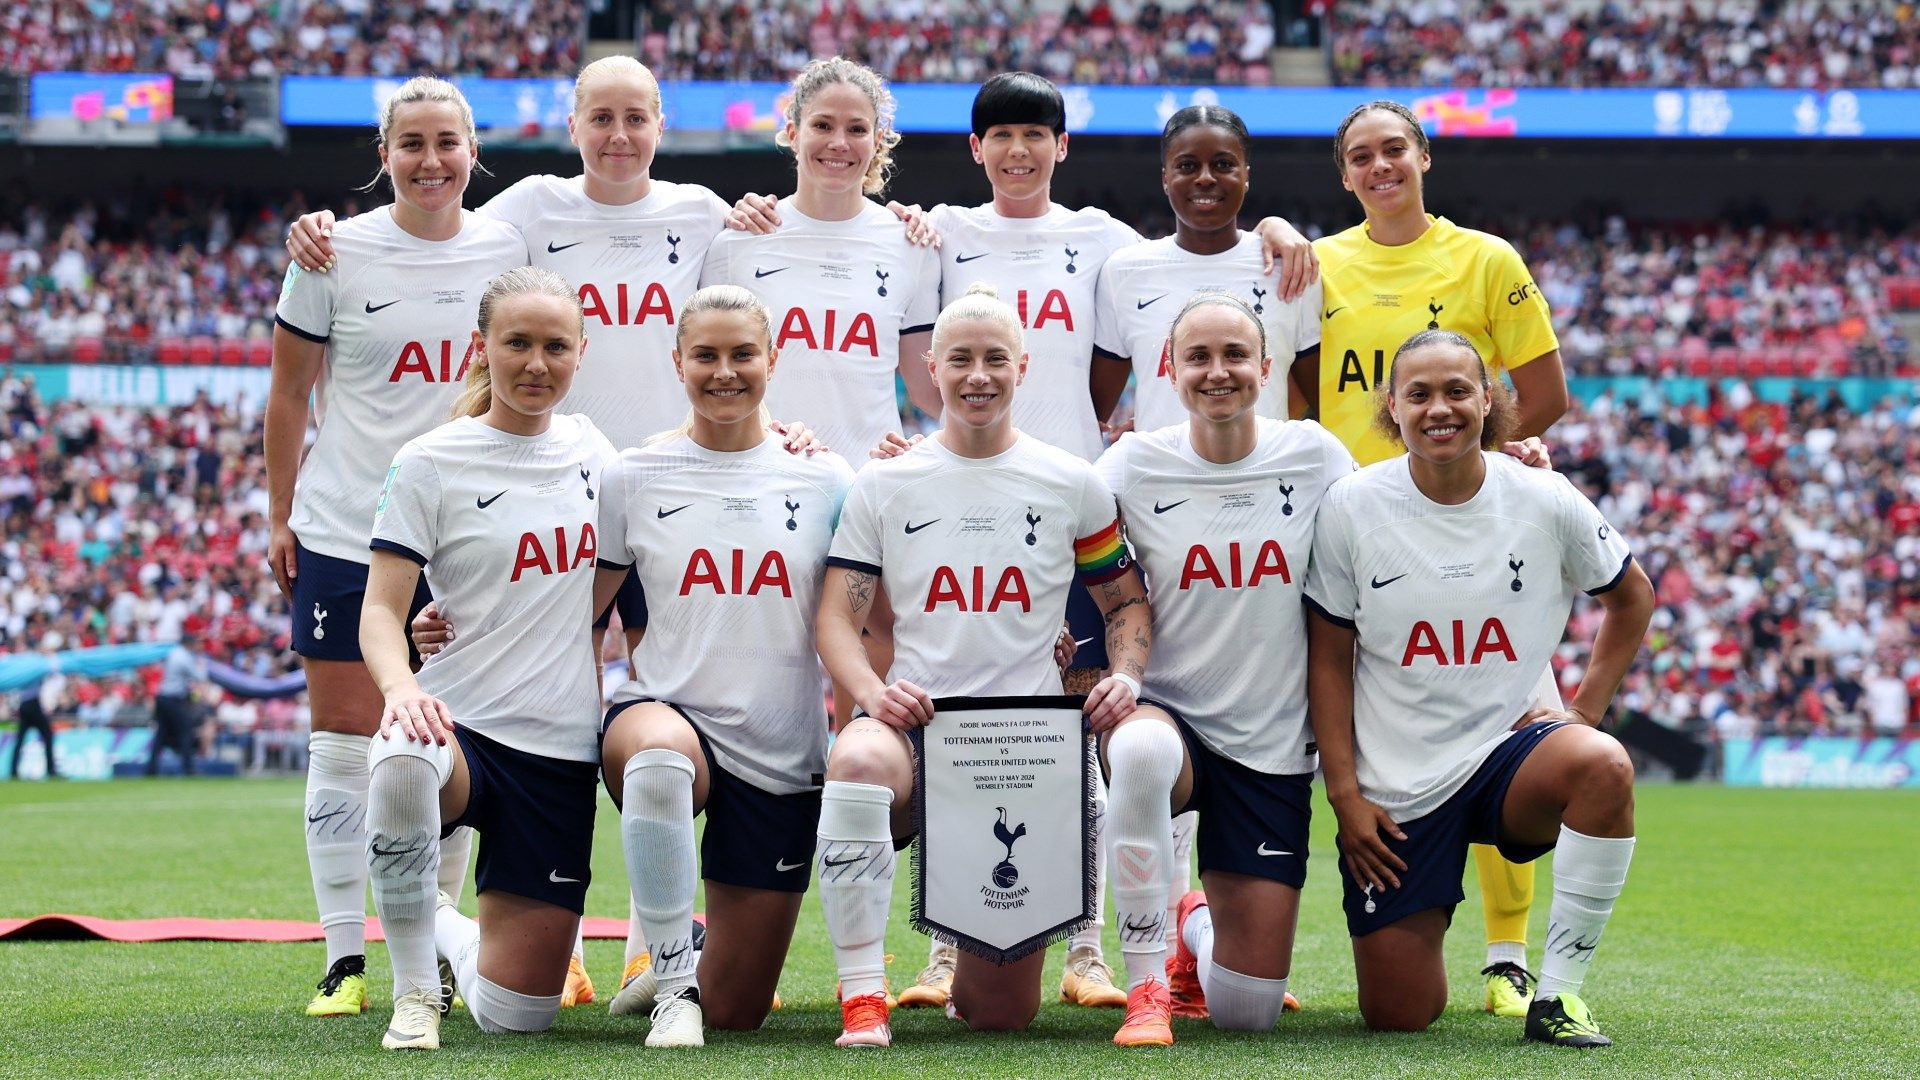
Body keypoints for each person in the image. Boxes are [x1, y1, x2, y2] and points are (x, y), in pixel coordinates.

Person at [811, 283, 1153, 1047]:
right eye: (959, 359)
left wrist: (1123, 677)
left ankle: (990, 962)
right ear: (928, 367)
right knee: (858, 758)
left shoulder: (1071, 482)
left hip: (1023, 749)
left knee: (1002, 1016)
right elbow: (837, 615)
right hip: (919, 736)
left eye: (995, 359)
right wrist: (871, 693)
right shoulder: (887, 483)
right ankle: (863, 999)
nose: (977, 375)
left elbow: (1125, 603)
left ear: (1023, 367)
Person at [1303, 330, 1654, 1047]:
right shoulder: (1351, 505)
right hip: (1399, 789)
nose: (1441, 409)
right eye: (1420, 394)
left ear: (1488, 401)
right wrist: (1345, 795)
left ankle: (1558, 995)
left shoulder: (1543, 497)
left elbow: (1633, 596)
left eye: (1458, 391)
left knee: (1603, 764)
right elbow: (1329, 657)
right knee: (1400, 1014)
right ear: (1391, 408)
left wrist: (1581, 714)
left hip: (1510, 757)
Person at [1304, 99, 1572, 1015]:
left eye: (1395, 150)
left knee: (1499, 720)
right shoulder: (1319, 264)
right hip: (1354, 539)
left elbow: (1545, 393)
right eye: (1361, 157)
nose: (1381, 168)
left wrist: (1487, 459)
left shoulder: (1486, 258)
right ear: (1343, 175)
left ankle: (1506, 956)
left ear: (1424, 157)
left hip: (1472, 539)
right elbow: (1303, 396)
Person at [269, 75, 525, 1018]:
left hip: (464, 537)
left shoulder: (510, 243)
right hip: (344, 526)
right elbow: (289, 396)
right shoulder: (333, 250)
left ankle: (437, 937)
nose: (430, 160)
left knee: (447, 734)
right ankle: (344, 956)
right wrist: (277, 515)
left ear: (473, 151)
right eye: (410, 143)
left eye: (447, 142)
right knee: (340, 738)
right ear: (384, 155)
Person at [360, 265, 617, 1051]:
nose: (536, 364)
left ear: (580, 352)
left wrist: (787, 435)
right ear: (481, 346)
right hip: (460, 729)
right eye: (516, 343)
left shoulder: (600, 455)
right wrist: (402, 685)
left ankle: (440, 923)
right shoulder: (429, 460)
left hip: (558, 753)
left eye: (554, 346)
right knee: (402, 755)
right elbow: (380, 609)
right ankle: (412, 997)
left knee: (518, 1015)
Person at [594, 284, 856, 1047]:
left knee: (738, 1012)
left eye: (743, 353)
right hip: (662, 718)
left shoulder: (827, 478)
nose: (724, 371)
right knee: (656, 755)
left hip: (780, 753)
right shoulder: (632, 475)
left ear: (774, 359)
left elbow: (860, 617)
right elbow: (581, 609)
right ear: (677, 362)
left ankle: (692, 960)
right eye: (704, 355)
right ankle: (672, 979)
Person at [1093, 292, 1349, 1045]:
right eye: (1198, 356)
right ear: (1170, 369)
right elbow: (1041, 515)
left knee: (1247, 1013)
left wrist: (1508, 463)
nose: (1218, 372)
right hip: (1167, 715)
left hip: (1270, 744)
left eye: (1235, 355)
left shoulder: (1314, 454)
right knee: (1138, 750)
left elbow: (1397, 514)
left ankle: (1192, 925)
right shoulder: (1133, 462)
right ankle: (1143, 989)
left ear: (1267, 368)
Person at [700, 57, 941, 462]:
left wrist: (936, 450)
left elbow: (926, 388)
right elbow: (707, 378)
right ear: (793, 133)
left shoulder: (911, 245)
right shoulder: (736, 244)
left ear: (878, 140)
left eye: (857, 129)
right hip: (765, 479)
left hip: (872, 484)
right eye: (823, 125)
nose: (839, 143)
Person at [1093, 105, 1320, 436]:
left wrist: (1255, 422)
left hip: (1262, 479)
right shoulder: (1125, 272)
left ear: (1246, 175)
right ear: (1165, 178)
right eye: (1187, 166)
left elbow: (1313, 395)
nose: (1205, 177)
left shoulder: (1290, 268)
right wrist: (1155, 419)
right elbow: (1094, 408)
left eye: (1223, 164)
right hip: (1162, 480)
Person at [147, 635, 208, 776]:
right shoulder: (184, 657)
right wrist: (202, 663)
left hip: (162, 698)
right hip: (171, 699)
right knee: (186, 730)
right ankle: (188, 768)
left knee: (161, 735)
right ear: (189, 644)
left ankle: (151, 769)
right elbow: (199, 676)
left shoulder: (172, 653)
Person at [9, 634, 64, 780]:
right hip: (32, 704)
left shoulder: (28, 663)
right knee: (47, 735)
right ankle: (51, 770)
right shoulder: (35, 663)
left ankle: (13, 771)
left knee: (21, 739)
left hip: (25, 704)